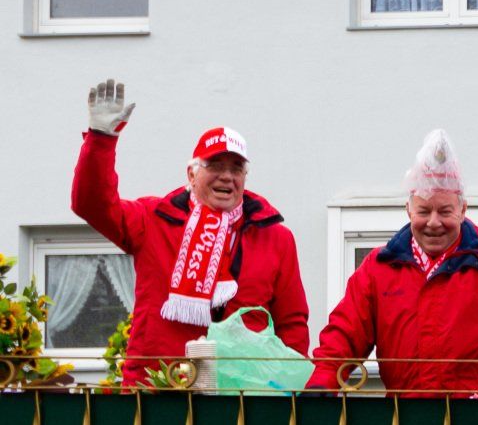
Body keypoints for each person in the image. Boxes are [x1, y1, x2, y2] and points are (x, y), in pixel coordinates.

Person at [69, 78, 308, 385]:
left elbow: (292, 324)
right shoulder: (153, 219)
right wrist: (101, 140)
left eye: (236, 168)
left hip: (245, 395)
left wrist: (287, 390)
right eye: (215, 165)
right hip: (159, 390)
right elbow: (92, 204)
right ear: (192, 174)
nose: (226, 176)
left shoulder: (276, 238)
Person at [308, 122, 478, 394]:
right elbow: (345, 333)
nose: (433, 222)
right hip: (408, 416)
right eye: (424, 211)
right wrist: (320, 385)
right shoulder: (378, 268)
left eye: (445, 211)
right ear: (408, 210)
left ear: (462, 210)